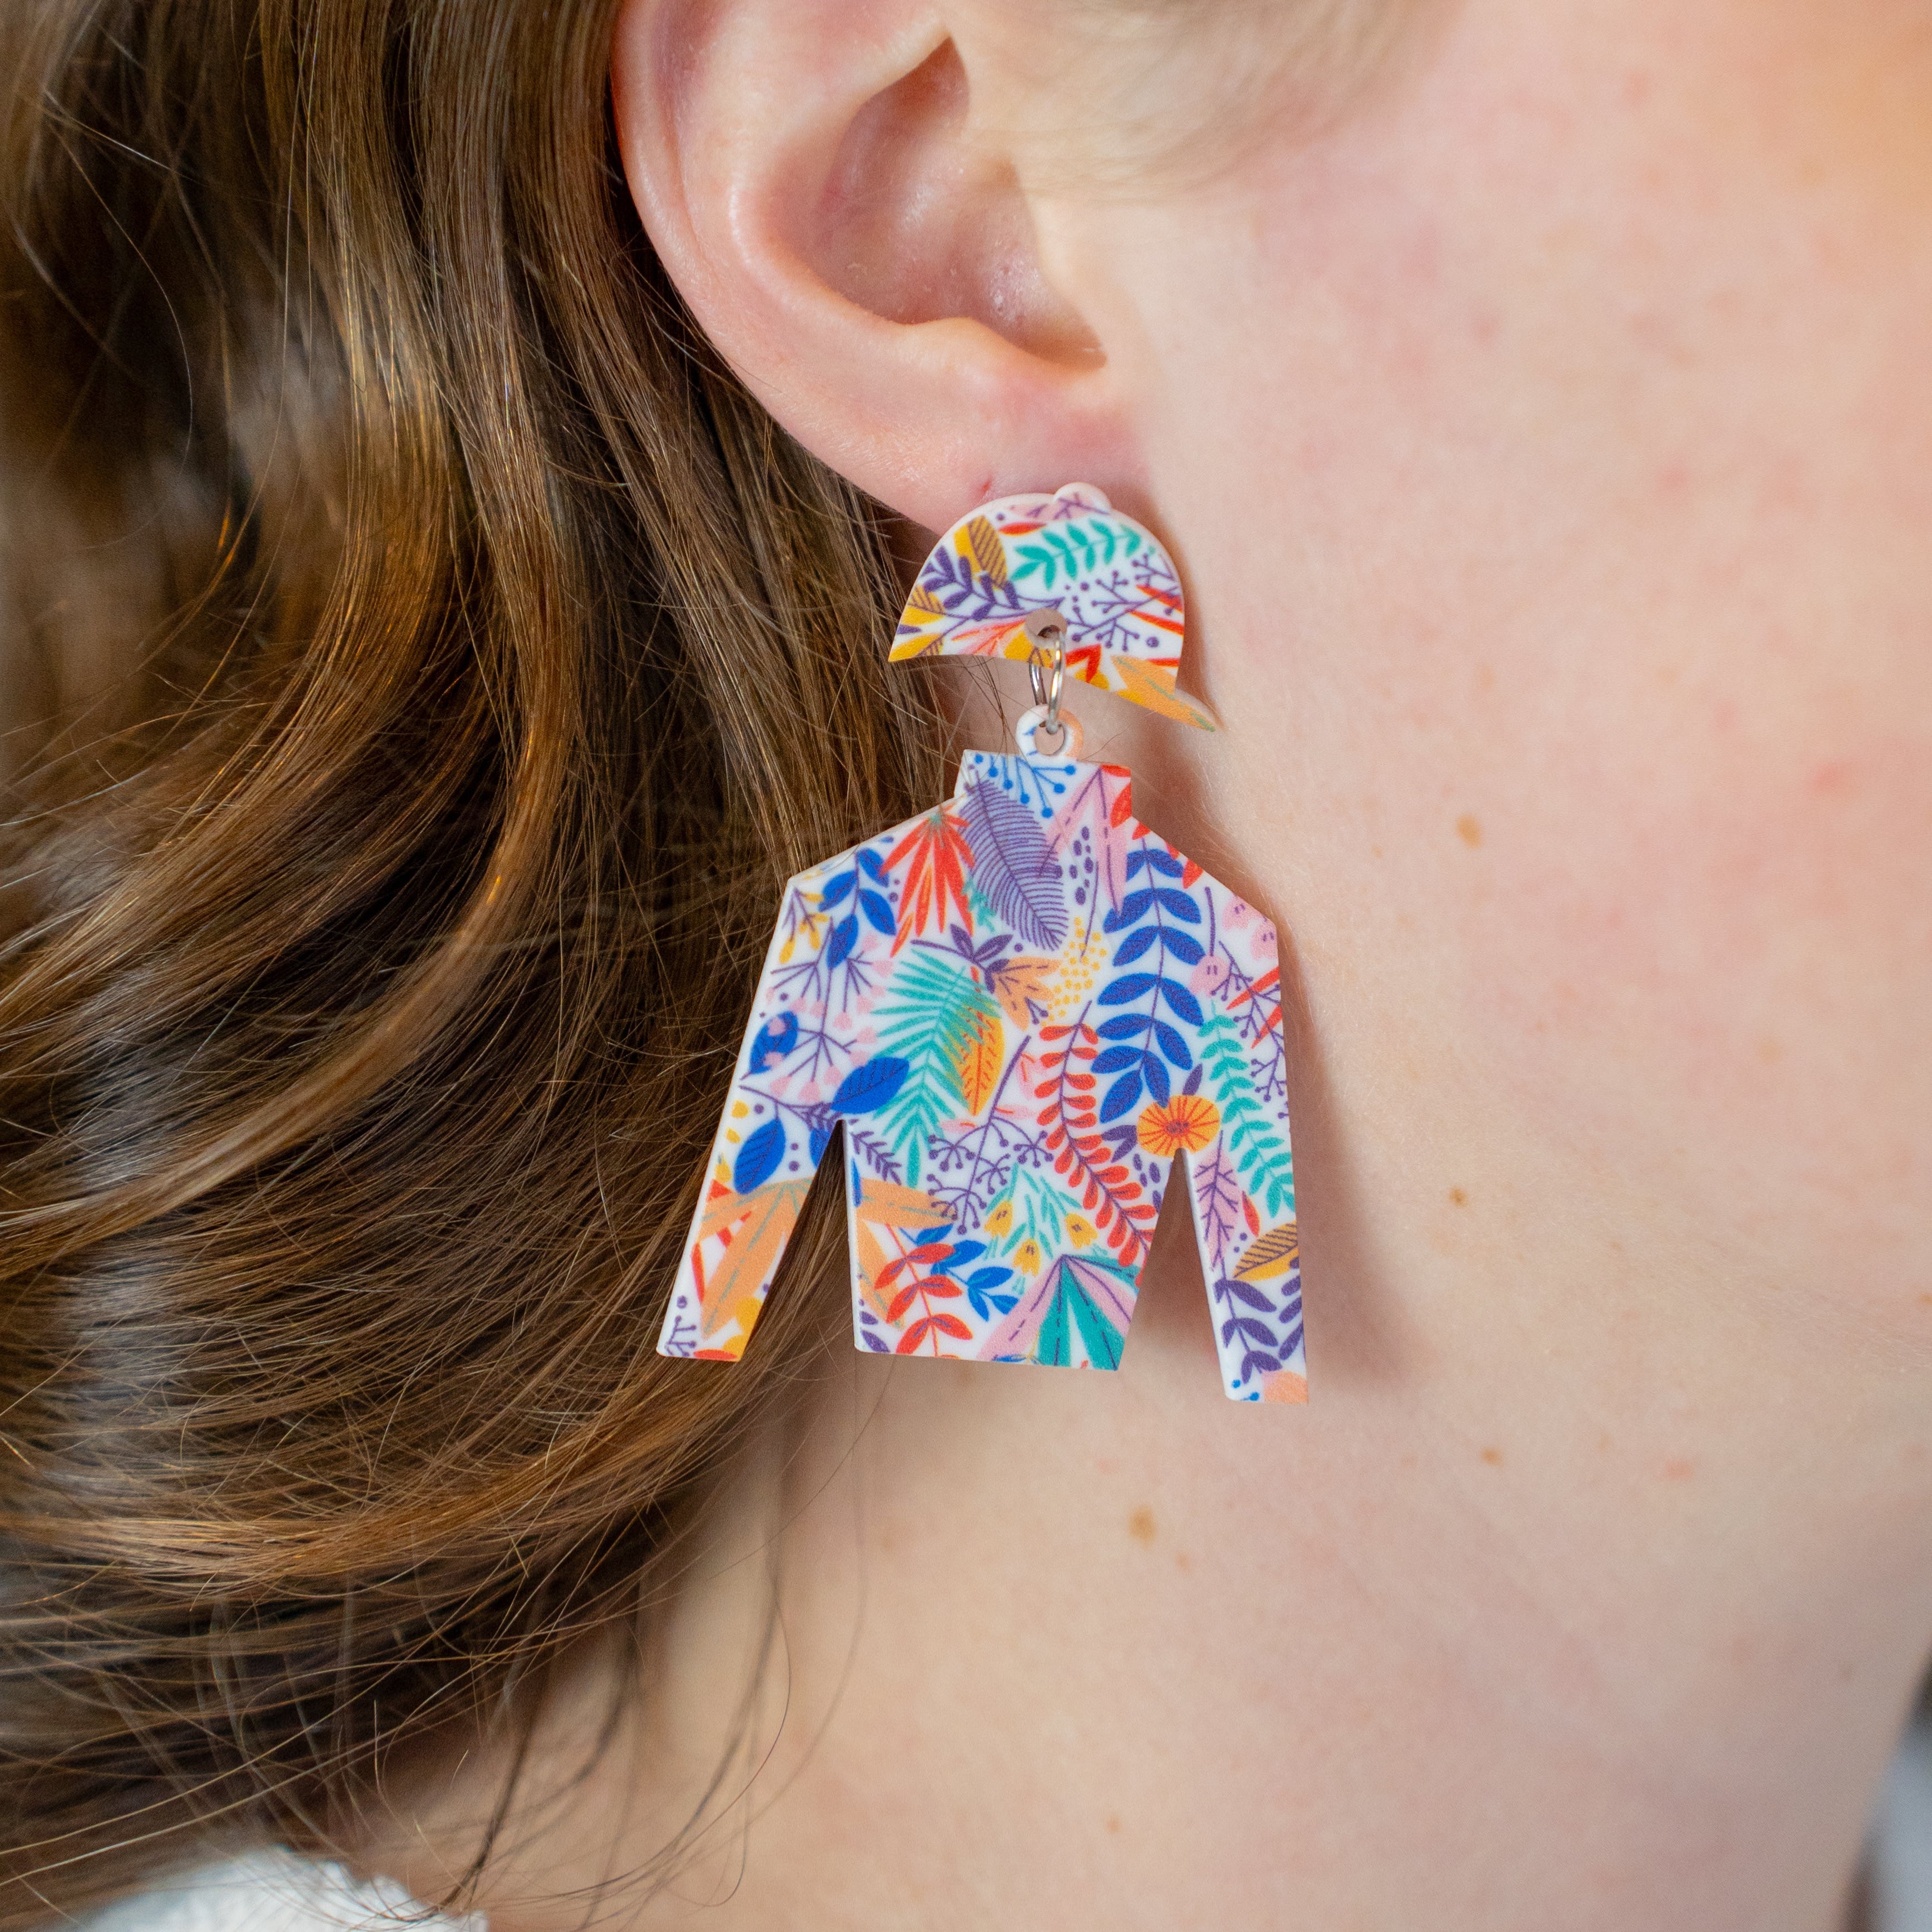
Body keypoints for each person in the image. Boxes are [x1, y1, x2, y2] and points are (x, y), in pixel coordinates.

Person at [2, 1, 1929, 1926]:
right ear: (927, 192)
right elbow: (833, 1156)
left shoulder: (1101, 936)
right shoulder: (968, 926)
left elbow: (1217, 1208)